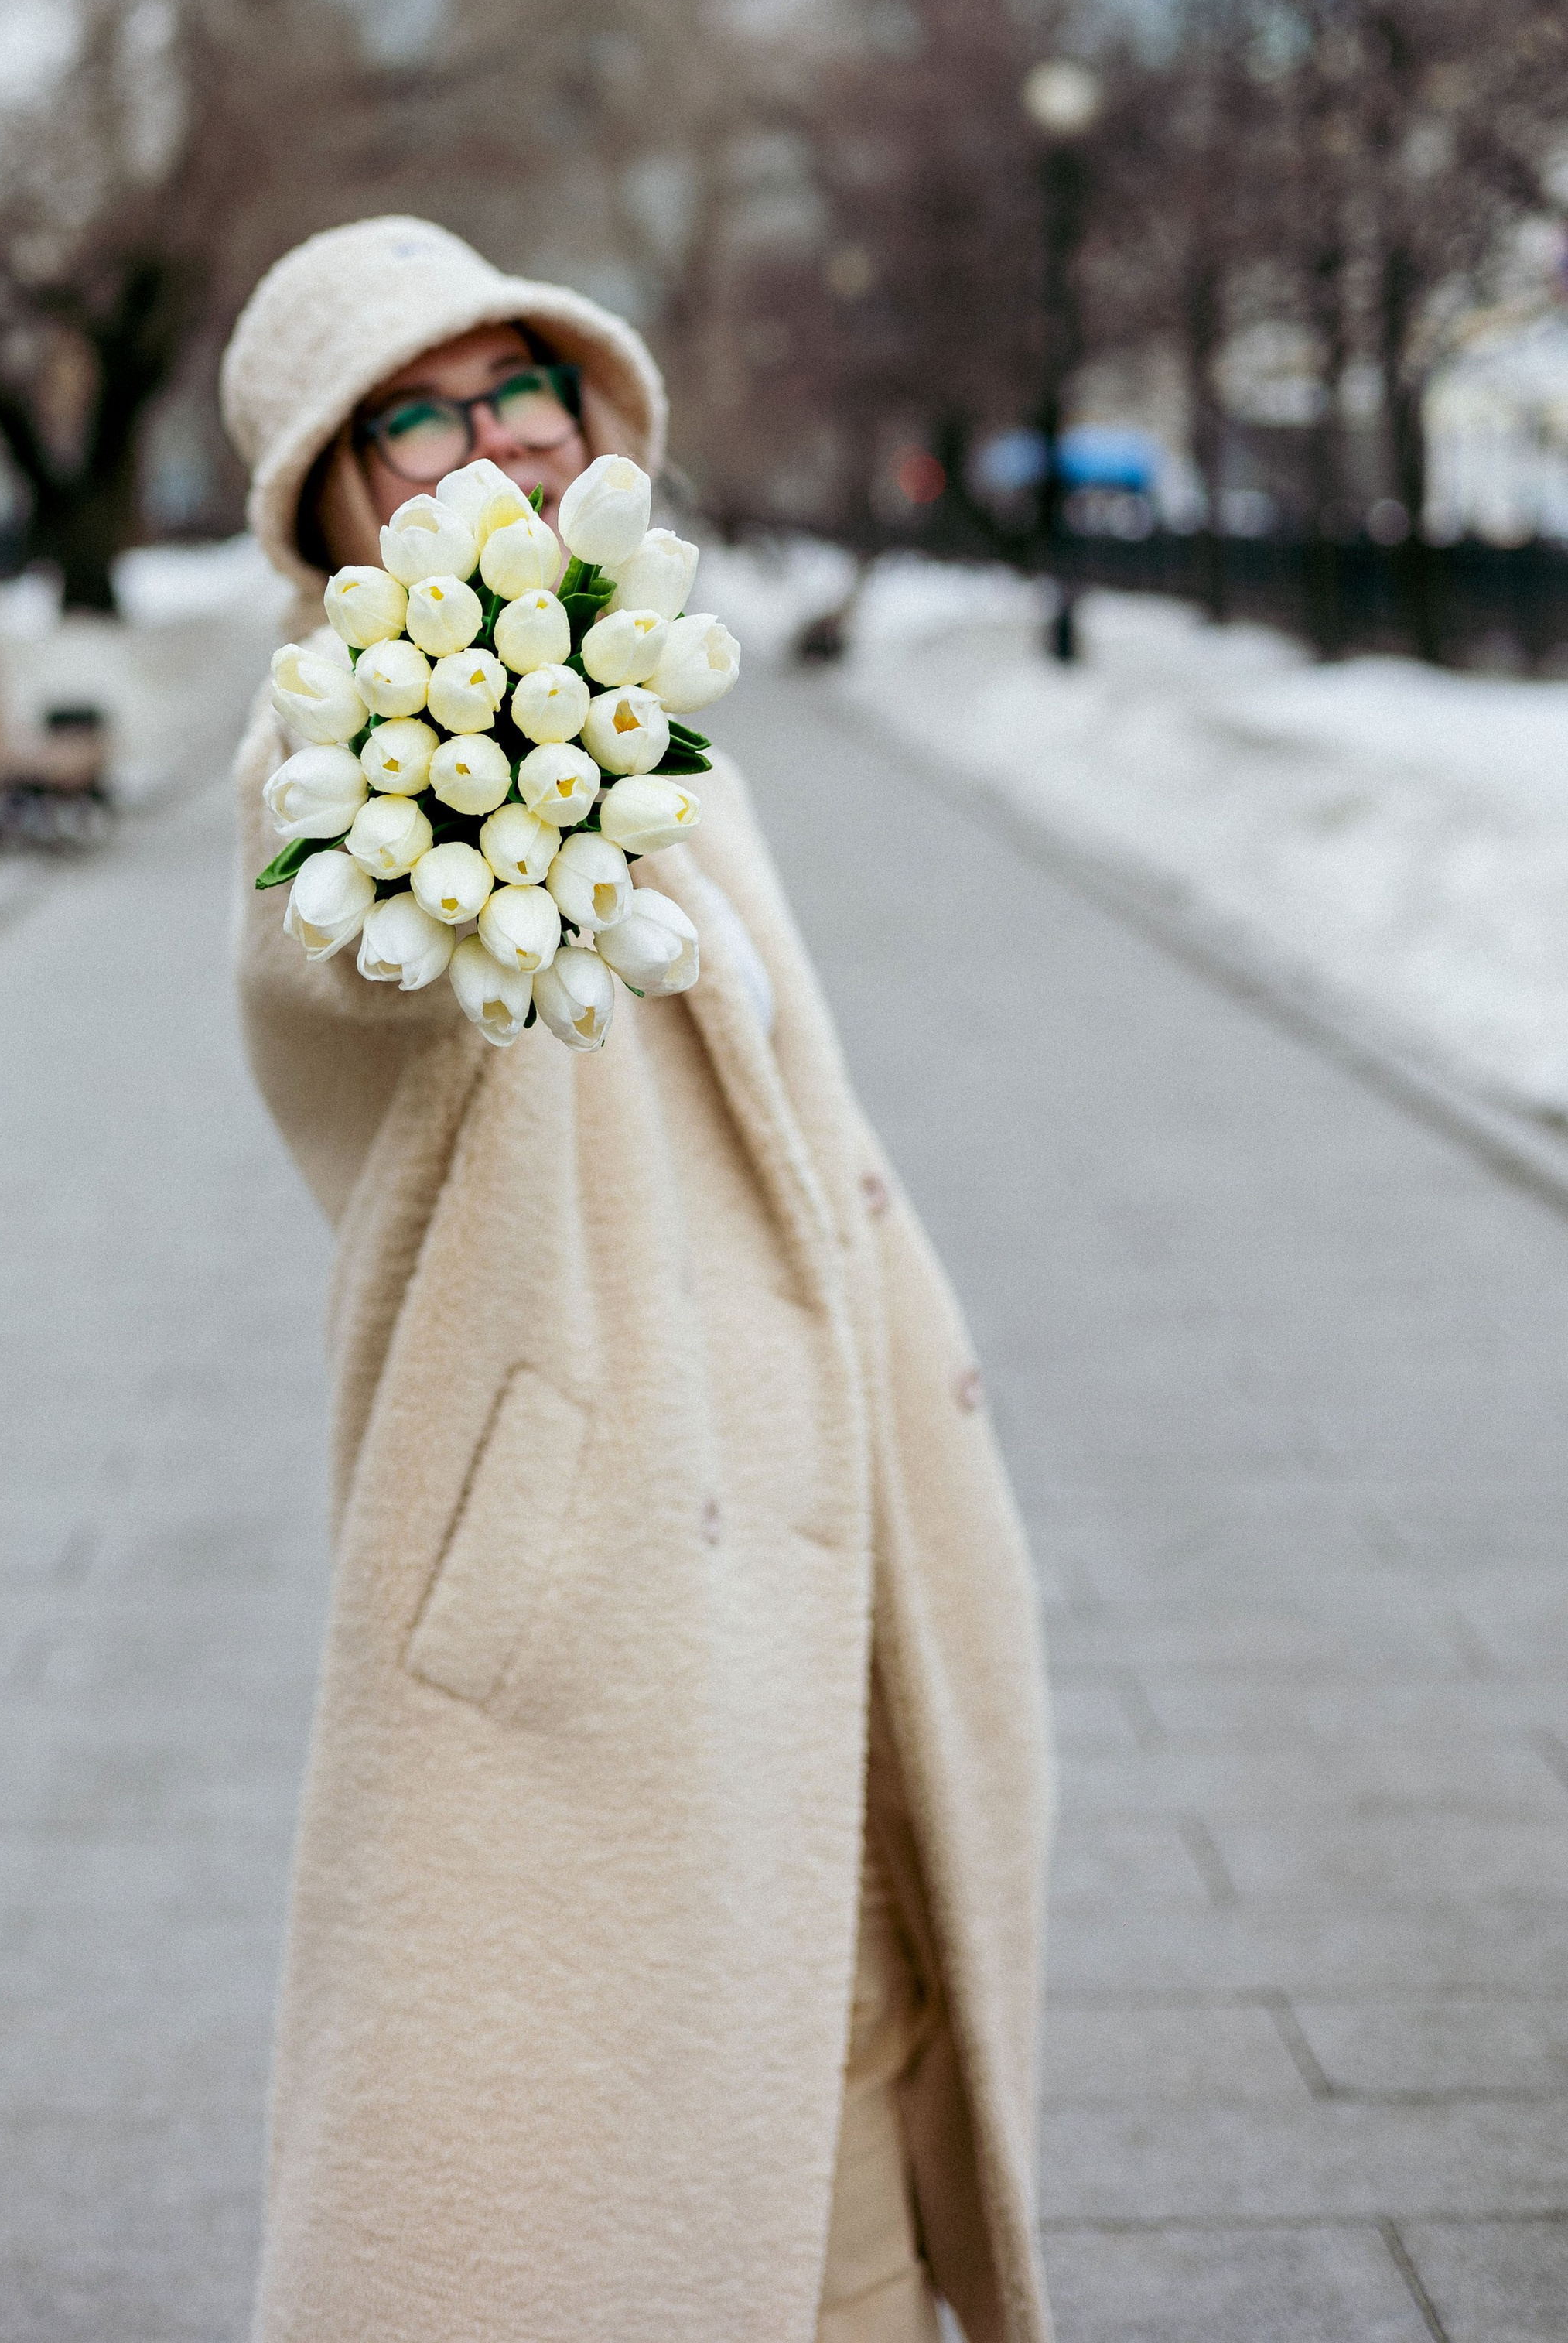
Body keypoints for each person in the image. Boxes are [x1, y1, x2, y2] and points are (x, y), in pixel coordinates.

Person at [220, 216, 1054, 2343]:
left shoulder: (650, 701)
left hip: (819, 1490)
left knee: (853, 2048)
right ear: (325, 496)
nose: (479, 438)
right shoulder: (342, 738)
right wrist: (473, 718)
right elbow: (356, 936)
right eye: (405, 417)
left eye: (520, 389)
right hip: (601, 1551)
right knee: (603, 2158)